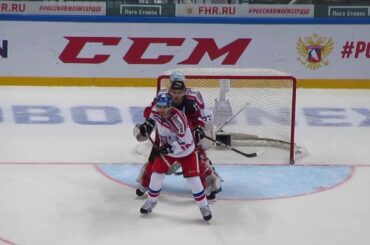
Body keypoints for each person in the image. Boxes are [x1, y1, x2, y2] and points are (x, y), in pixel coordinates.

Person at [135, 71, 222, 200]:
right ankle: (146, 184)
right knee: (154, 158)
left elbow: (203, 116)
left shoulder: (193, 97)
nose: (176, 95)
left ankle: (210, 186)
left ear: (184, 89)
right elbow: (151, 112)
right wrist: (148, 123)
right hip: (166, 132)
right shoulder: (163, 95)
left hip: (187, 131)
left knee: (199, 159)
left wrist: (200, 129)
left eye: (179, 92)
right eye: (173, 91)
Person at [135, 93, 212, 221]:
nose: (161, 110)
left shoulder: (178, 119)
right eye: (159, 106)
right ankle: (151, 202)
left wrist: (170, 147)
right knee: (156, 176)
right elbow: (151, 119)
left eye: (164, 107)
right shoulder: (156, 111)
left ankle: (204, 206)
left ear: (170, 106)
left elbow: (186, 142)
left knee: (194, 181)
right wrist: (146, 126)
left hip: (186, 151)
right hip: (168, 151)